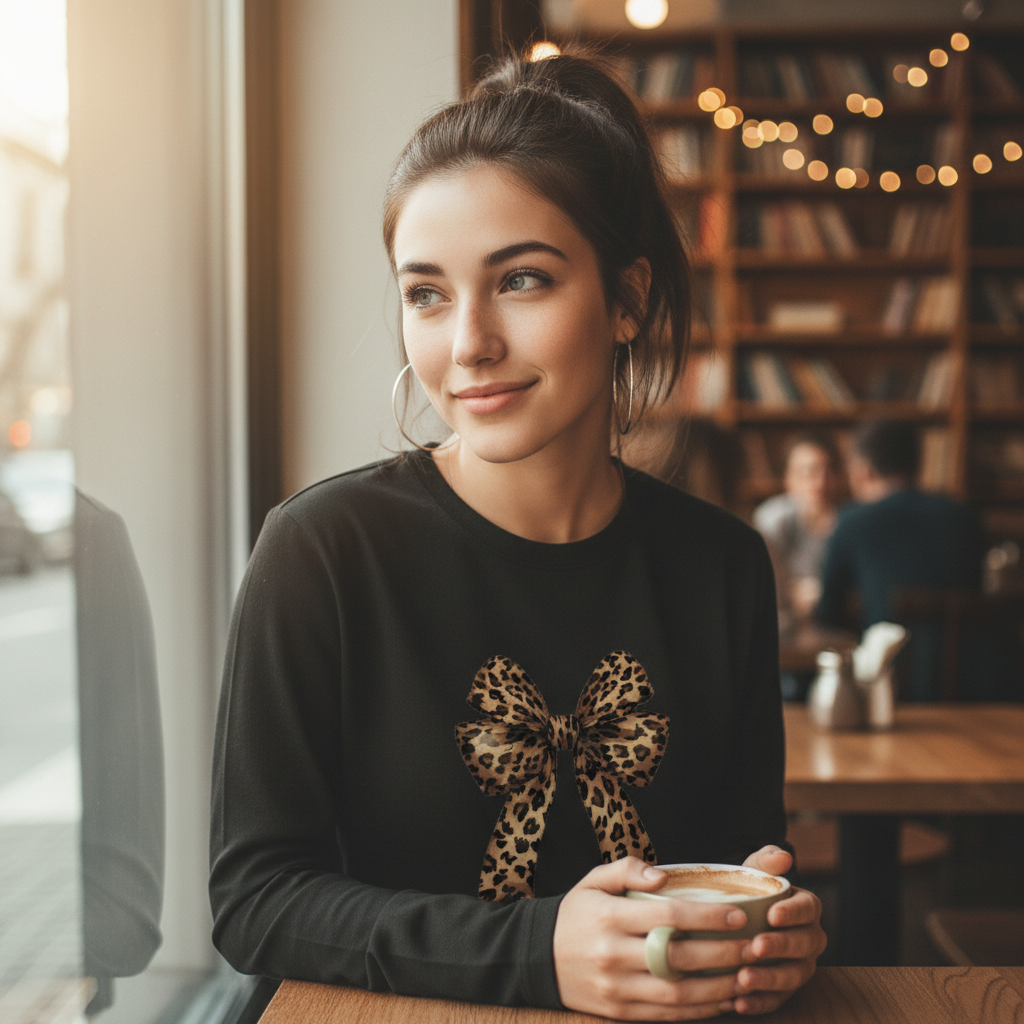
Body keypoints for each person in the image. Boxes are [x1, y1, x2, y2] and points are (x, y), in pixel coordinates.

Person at [209, 48, 825, 1021]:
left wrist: (769, 935)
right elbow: (253, 904)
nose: (467, 344)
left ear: (625, 299)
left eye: (523, 280)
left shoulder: (721, 565)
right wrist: (534, 951)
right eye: (426, 293)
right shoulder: (322, 551)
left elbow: (736, 865)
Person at [815, 419, 987, 699]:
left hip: (885, 682)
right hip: (971, 681)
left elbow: (827, 614)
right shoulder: (966, 517)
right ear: (917, 466)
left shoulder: (851, 522)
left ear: (862, 471)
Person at [754, 435, 844, 626]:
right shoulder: (773, 520)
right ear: (789, 479)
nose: (820, 482)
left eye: (827, 472)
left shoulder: (848, 523)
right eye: (808, 472)